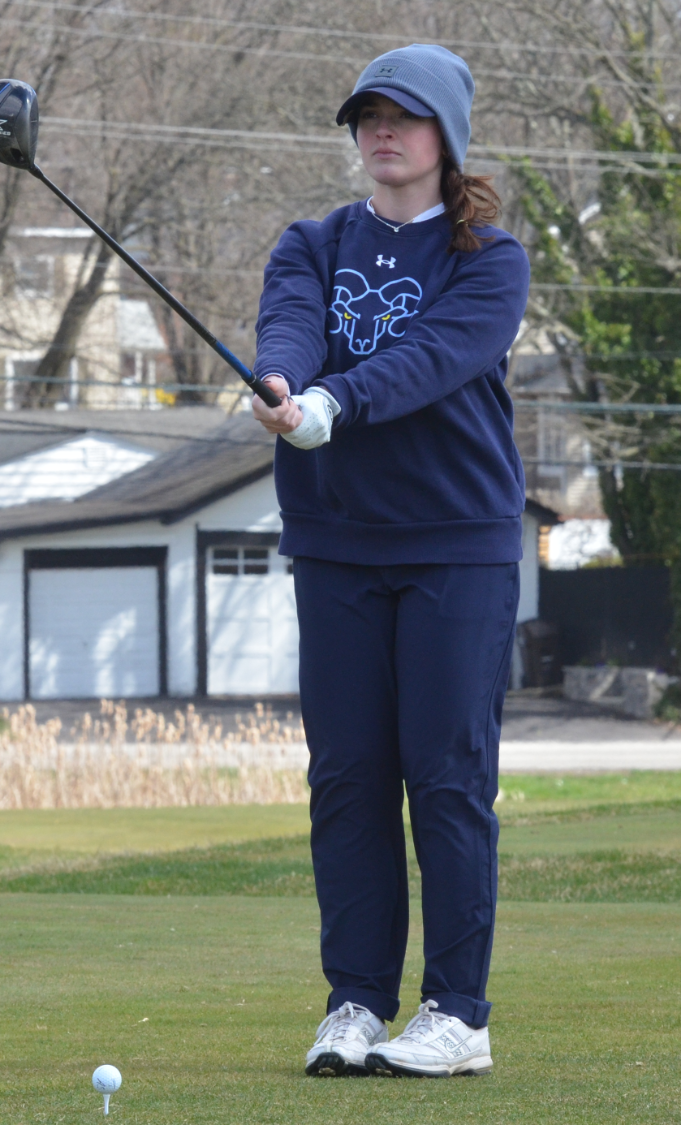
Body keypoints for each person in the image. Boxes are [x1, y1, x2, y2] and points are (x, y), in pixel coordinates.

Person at [249, 43, 530, 1079]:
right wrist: (283, 381)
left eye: (402, 117)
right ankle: (356, 1002)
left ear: (444, 137)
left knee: (446, 782)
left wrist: (335, 400)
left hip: (454, 547)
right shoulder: (312, 242)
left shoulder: (488, 260)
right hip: (336, 544)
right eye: (367, 114)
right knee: (348, 781)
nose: (381, 131)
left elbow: (432, 360)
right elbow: (287, 326)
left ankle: (457, 1013)